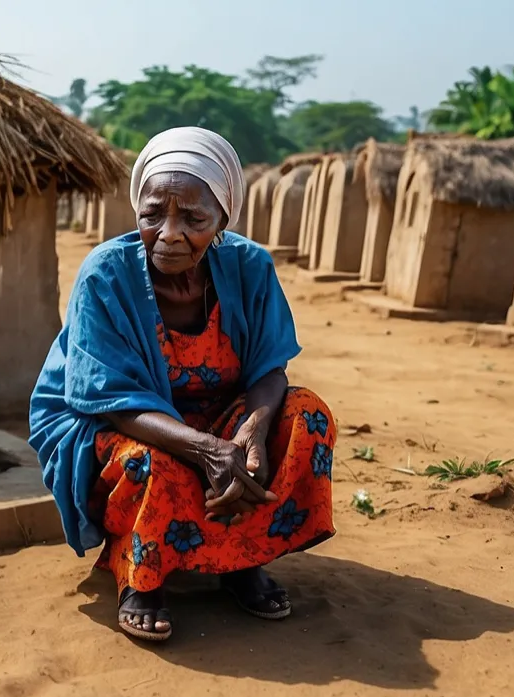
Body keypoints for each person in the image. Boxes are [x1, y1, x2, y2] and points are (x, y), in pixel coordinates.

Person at [29, 127, 336, 643]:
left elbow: (269, 368)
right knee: (156, 461)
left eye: (193, 218)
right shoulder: (104, 276)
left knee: (307, 416)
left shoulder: (250, 268)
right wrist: (208, 449)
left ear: (222, 218)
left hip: (218, 417)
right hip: (111, 421)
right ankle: (141, 578)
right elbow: (107, 398)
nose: (169, 232)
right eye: (153, 214)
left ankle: (241, 560)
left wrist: (251, 436)